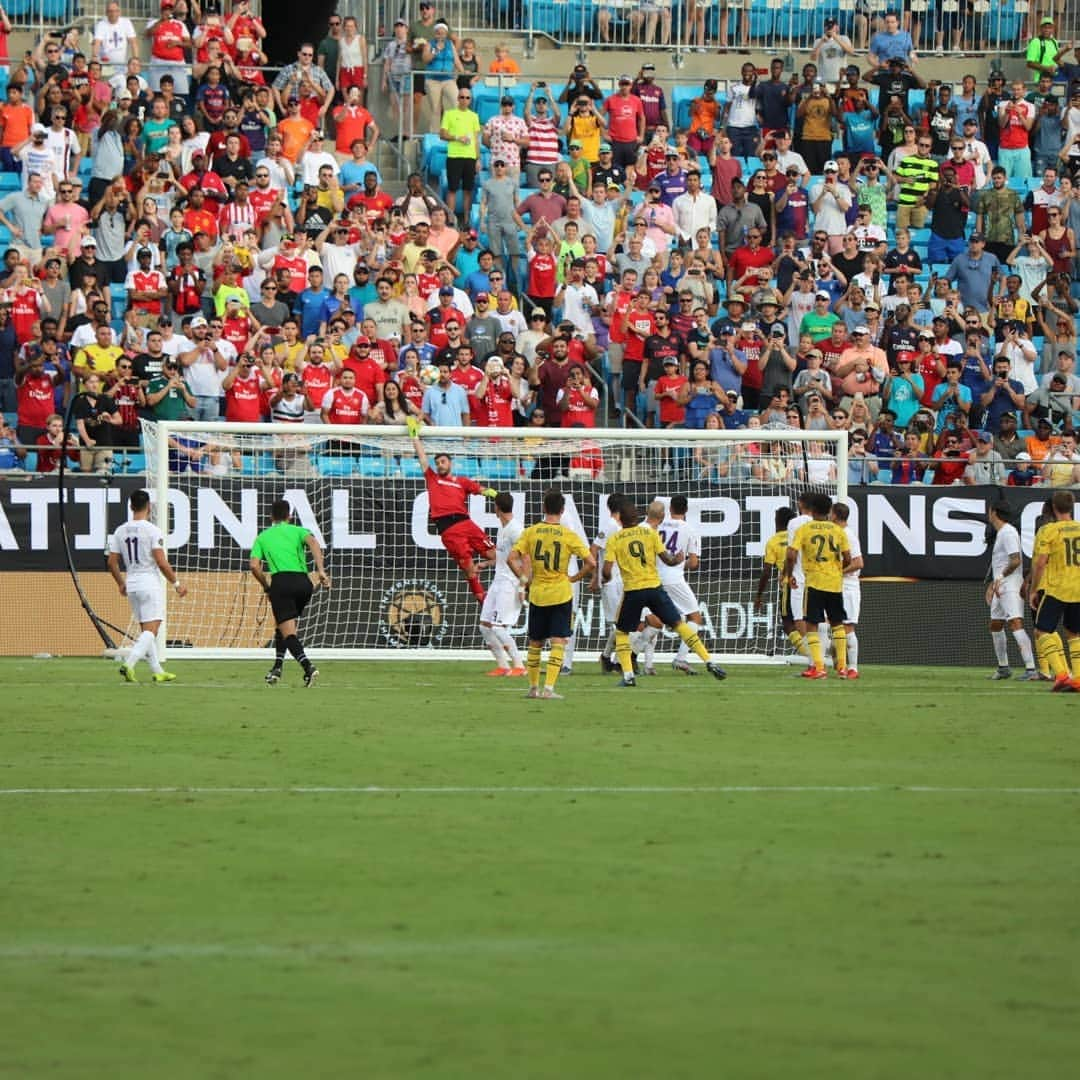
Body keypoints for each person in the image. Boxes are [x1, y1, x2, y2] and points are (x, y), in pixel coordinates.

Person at [601, 497, 726, 688]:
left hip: (633, 590)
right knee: (679, 623)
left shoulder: (615, 539)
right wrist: (677, 559)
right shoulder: (649, 534)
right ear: (636, 517)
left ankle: (627, 675)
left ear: (620, 520)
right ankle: (709, 660)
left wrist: (606, 578)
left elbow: (607, 570)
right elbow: (667, 559)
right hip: (654, 587)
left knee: (622, 631)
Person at [507, 487, 594, 700]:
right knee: (558, 641)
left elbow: (511, 558)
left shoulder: (531, 531)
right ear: (562, 511)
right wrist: (574, 578)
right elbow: (591, 562)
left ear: (544, 508)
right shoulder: (568, 535)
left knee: (535, 642)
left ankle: (533, 688)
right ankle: (549, 689)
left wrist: (525, 579)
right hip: (561, 593)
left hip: (537, 593)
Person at [408, 416, 495, 605]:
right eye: (437, 462)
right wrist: (414, 435)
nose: (439, 465)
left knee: (496, 555)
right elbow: (422, 457)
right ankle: (483, 600)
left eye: (443, 462)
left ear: (450, 463)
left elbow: (481, 490)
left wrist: (495, 494)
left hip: (467, 523)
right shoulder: (432, 478)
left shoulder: (462, 481)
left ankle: (515, 584)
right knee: (468, 568)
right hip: (449, 530)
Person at [107, 489, 186, 685]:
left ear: (131, 507)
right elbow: (161, 562)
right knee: (153, 628)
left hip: (132, 583)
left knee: (146, 631)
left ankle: (157, 670)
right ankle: (130, 663)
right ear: (149, 507)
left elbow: (111, 562)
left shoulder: (120, 530)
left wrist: (120, 583)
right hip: (149, 583)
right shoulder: (152, 530)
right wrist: (176, 583)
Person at [249, 497, 330, 688]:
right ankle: (277, 668)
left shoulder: (262, 537)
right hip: (304, 584)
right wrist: (320, 570)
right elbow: (314, 544)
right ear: (290, 516)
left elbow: (253, 566)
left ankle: (308, 667)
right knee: (282, 625)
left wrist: (266, 586)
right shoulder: (298, 531)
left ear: (271, 517)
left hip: (281, 583)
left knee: (289, 633)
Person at [783, 491, 851, 680]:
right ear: (830, 511)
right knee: (837, 624)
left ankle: (819, 667)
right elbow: (847, 558)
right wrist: (837, 570)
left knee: (812, 624)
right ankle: (843, 668)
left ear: (812, 510)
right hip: (835, 584)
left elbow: (790, 554)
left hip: (813, 582)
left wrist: (790, 575)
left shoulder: (804, 529)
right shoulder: (838, 530)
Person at [1029, 489, 1080, 691]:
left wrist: (1033, 589)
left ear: (1053, 508)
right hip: (1078, 588)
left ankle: (1060, 675)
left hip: (1057, 588)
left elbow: (1040, 563)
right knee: (1074, 633)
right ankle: (1077, 679)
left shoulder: (1048, 530)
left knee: (1041, 630)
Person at [985, 501, 1037, 682]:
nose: (988, 514)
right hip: (1001, 584)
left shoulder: (1008, 533)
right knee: (995, 624)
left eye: (989, 511)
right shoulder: (1002, 533)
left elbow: (1015, 560)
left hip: (1011, 584)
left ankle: (1031, 669)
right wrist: (995, 582)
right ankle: (1003, 667)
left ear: (994, 513)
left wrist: (998, 579)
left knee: (1015, 622)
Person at [755, 505, 812, 666]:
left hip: (789, 584)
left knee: (788, 623)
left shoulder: (773, 541)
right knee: (808, 621)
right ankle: (819, 653)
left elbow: (766, 571)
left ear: (778, 522)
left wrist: (759, 595)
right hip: (808, 581)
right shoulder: (798, 535)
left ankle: (813, 656)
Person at [657, 495, 707, 676]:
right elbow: (693, 563)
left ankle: (622, 658)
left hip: (653, 578)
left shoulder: (658, 526)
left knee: (652, 622)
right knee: (695, 618)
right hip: (674, 579)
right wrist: (679, 564)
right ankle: (680, 658)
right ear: (686, 511)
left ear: (670, 509)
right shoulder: (690, 529)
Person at [478, 491, 526, 678]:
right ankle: (503, 665)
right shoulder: (503, 528)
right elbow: (503, 555)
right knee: (484, 626)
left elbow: (526, 558)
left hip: (510, 583)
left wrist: (523, 585)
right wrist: (486, 563)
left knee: (498, 627)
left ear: (496, 508)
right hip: (498, 580)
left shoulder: (516, 530)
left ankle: (519, 665)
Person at [829, 501, 863, 680]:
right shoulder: (837, 534)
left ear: (835, 515)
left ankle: (853, 668)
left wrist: (838, 572)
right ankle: (838, 663)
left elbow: (858, 563)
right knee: (831, 626)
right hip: (835, 586)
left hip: (848, 587)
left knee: (848, 628)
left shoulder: (848, 535)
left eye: (830, 513)